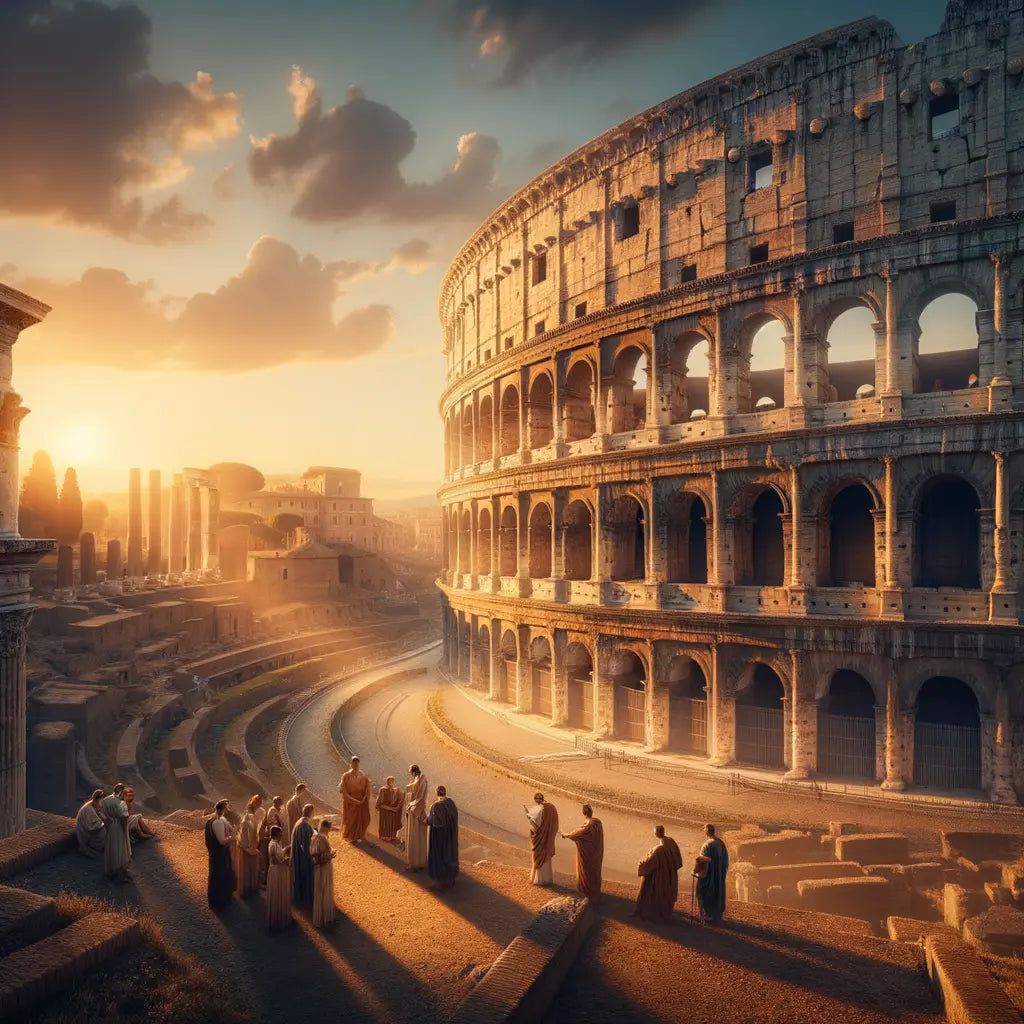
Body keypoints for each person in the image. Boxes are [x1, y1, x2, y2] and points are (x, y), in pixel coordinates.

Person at [635, 824, 683, 923]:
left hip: (660, 877)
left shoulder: (658, 850)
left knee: (657, 892)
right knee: (667, 892)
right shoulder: (671, 842)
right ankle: (665, 913)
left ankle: (655, 914)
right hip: (671, 875)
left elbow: (649, 865)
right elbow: (678, 862)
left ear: (656, 833)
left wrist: (641, 865)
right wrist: (670, 869)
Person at [561, 805, 604, 899]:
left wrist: (565, 834)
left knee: (587, 870)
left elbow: (576, 834)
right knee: (595, 870)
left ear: (584, 813)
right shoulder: (598, 822)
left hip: (587, 854)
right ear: (591, 812)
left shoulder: (588, 825)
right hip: (596, 852)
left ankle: (587, 890)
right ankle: (595, 889)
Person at [205, 799, 236, 911]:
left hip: (221, 853)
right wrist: (232, 838)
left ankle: (224, 898)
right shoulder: (216, 822)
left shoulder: (218, 819)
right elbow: (222, 840)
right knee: (219, 876)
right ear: (223, 809)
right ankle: (218, 902)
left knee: (223, 874)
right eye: (227, 807)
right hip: (218, 854)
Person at [695, 823, 730, 924]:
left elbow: (702, 861)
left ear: (706, 831)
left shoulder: (707, 844)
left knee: (704, 892)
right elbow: (726, 861)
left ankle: (708, 915)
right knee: (718, 892)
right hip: (719, 876)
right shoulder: (720, 843)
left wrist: (699, 873)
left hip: (709, 877)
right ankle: (717, 914)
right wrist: (721, 873)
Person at [426, 785, 459, 890]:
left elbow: (433, 821)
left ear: (437, 793)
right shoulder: (451, 803)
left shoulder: (436, 806)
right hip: (450, 838)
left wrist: (425, 820)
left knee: (438, 858)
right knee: (449, 856)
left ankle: (438, 882)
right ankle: (450, 879)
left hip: (438, 838)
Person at [526, 792, 558, 886]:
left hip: (540, 838)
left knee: (538, 857)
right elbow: (554, 822)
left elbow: (535, 825)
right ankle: (547, 879)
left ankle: (539, 880)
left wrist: (529, 818)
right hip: (548, 837)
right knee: (546, 859)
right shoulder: (551, 807)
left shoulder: (539, 809)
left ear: (536, 800)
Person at [101, 783, 131, 881]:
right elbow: (124, 817)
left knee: (112, 847)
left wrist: (107, 824)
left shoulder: (105, 801)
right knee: (120, 847)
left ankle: (112, 869)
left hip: (110, 825)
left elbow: (102, 814)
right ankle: (121, 872)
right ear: (122, 792)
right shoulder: (121, 803)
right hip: (118, 825)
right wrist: (124, 829)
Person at [310, 819, 337, 927]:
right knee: (325, 889)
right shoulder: (321, 838)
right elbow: (319, 856)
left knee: (320, 890)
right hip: (324, 868)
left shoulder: (315, 836)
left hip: (319, 869)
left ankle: (322, 916)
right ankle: (324, 917)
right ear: (325, 828)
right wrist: (330, 855)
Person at [338, 756, 371, 843]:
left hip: (361, 802)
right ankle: (350, 836)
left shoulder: (363, 776)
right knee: (350, 820)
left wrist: (364, 799)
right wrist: (355, 801)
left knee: (362, 819)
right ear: (351, 764)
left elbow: (367, 789)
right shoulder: (346, 776)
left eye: (357, 763)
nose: (356, 764)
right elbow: (343, 791)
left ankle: (360, 835)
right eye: (354, 763)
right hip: (351, 803)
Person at [266, 825, 292, 930]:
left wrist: (287, 848)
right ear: (277, 835)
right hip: (277, 871)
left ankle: (280, 916)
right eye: (280, 834)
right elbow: (277, 860)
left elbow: (280, 853)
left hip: (278, 870)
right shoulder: (273, 845)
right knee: (278, 892)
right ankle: (279, 918)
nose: (282, 836)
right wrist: (287, 860)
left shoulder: (275, 843)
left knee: (279, 892)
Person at [235, 795, 261, 897]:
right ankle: (249, 889)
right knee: (249, 868)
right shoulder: (251, 817)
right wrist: (251, 848)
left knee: (246, 868)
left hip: (246, 845)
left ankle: (247, 888)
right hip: (248, 847)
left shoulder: (247, 816)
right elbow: (251, 834)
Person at [405, 764, 429, 871]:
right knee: (415, 836)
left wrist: (411, 805)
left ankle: (417, 863)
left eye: (411, 772)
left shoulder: (422, 780)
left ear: (414, 771)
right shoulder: (417, 779)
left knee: (416, 836)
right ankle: (414, 862)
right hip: (413, 809)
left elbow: (420, 797)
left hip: (416, 811)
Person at [291, 803, 315, 907]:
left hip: (299, 855)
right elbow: (306, 844)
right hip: (303, 857)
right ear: (311, 812)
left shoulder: (300, 822)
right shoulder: (304, 825)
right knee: (305, 875)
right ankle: (305, 899)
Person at [259, 795, 286, 888]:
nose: (280, 804)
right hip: (272, 836)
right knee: (270, 858)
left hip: (278, 835)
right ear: (275, 802)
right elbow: (272, 824)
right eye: (279, 802)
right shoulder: (272, 810)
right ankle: (268, 880)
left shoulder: (279, 810)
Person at [76, 789, 107, 858]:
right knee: (105, 830)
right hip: (86, 833)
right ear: (97, 799)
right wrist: (104, 820)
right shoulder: (88, 809)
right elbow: (97, 825)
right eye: (101, 800)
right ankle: (95, 847)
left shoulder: (94, 805)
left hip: (90, 829)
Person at [375, 775, 404, 842]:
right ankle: (384, 836)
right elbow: (380, 802)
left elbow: (400, 799)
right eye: (390, 781)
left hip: (392, 811)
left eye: (392, 781)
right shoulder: (383, 790)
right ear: (387, 781)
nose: (391, 782)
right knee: (385, 823)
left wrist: (396, 808)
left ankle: (392, 836)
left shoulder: (395, 790)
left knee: (391, 823)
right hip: (385, 810)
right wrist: (389, 808)